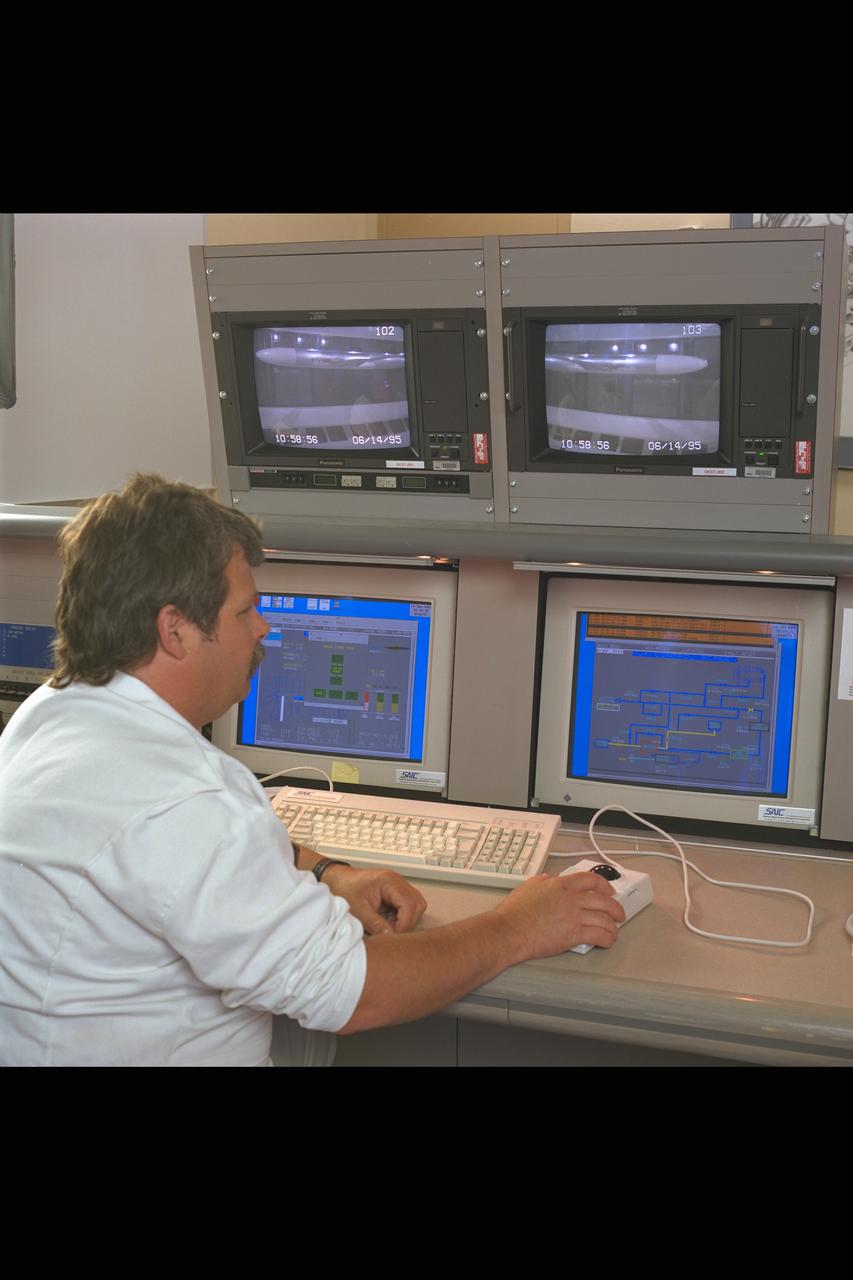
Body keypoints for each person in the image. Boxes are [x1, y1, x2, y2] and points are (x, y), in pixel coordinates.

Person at [0, 474, 624, 1066]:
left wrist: (329, 873)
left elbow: (163, 860)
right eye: (244, 611)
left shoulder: (52, 713)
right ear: (175, 631)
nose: (263, 626)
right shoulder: (185, 797)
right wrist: (516, 927)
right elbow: (355, 994)